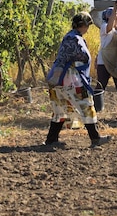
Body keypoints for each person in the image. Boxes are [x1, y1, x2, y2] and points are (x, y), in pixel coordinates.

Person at [44, 11, 111, 148]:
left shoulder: (72, 37)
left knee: (60, 108)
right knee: (86, 105)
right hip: (70, 80)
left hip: (62, 81)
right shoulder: (72, 39)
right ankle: (95, 138)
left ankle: (51, 139)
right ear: (84, 25)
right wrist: (57, 76)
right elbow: (63, 58)